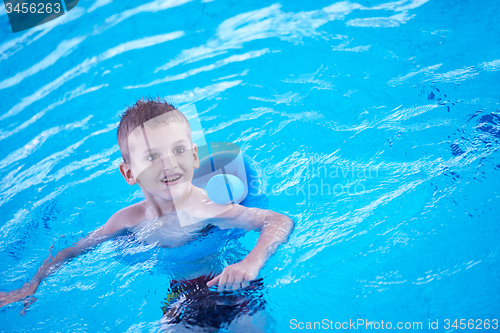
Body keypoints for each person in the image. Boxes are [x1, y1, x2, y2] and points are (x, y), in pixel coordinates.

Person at [0, 97, 294, 328]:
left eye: (178, 151)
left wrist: (251, 264)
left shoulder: (204, 206)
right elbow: (73, 251)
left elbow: (278, 221)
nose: (168, 165)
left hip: (233, 286)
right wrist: (32, 284)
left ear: (194, 156)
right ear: (129, 173)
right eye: (153, 157)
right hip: (182, 296)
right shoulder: (126, 220)